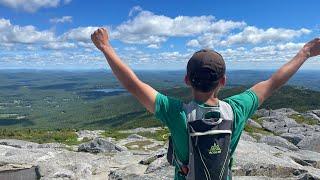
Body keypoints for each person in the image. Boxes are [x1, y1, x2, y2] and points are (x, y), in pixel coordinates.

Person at [91, 28, 320, 180]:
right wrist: (305, 53)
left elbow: (133, 84)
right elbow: (273, 82)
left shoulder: (176, 112)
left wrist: (106, 47)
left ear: (187, 80)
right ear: (223, 81)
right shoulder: (236, 109)